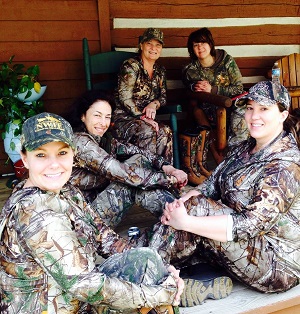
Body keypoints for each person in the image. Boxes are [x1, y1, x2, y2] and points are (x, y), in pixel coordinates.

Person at [0, 112, 184, 314]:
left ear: (73, 153)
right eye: (41, 155)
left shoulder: (67, 191)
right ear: (25, 158)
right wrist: (158, 293)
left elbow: (104, 238)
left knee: (147, 259)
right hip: (50, 306)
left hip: (71, 297)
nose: (54, 164)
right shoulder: (35, 212)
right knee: (152, 299)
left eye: (62, 153)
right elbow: (87, 286)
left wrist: (163, 269)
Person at [141, 81, 300, 296]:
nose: (254, 116)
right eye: (250, 108)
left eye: (264, 109)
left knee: (194, 212)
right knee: (173, 202)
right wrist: (182, 203)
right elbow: (210, 184)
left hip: (275, 263)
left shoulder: (285, 166)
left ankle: (145, 272)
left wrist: (187, 220)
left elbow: (250, 225)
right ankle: (153, 259)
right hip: (241, 243)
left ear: (282, 114)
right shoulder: (244, 148)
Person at [67, 90, 188, 228]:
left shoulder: (104, 141)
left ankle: (178, 213)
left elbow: (139, 152)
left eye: (107, 117)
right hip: (85, 221)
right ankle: (179, 214)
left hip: (97, 207)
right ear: (83, 116)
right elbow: (119, 171)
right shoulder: (80, 142)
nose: (103, 123)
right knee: (129, 178)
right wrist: (168, 179)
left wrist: (168, 168)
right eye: (97, 116)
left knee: (138, 160)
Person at [182, 27, 246, 164]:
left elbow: (238, 88)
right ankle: (220, 159)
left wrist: (213, 89)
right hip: (208, 109)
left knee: (242, 114)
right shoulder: (190, 70)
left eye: (203, 43)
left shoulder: (226, 61)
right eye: (195, 45)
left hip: (232, 105)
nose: (200, 47)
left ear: (210, 44)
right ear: (191, 49)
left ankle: (239, 159)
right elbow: (188, 84)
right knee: (198, 112)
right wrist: (194, 86)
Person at [112, 28, 174, 163]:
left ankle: (165, 174)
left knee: (166, 131)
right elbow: (125, 98)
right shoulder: (131, 66)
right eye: (149, 44)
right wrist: (142, 117)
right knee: (148, 130)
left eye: (158, 45)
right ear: (141, 45)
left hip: (146, 120)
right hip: (124, 118)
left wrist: (154, 104)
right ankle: (145, 175)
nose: (153, 48)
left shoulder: (160, 71)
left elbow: (163, 97)